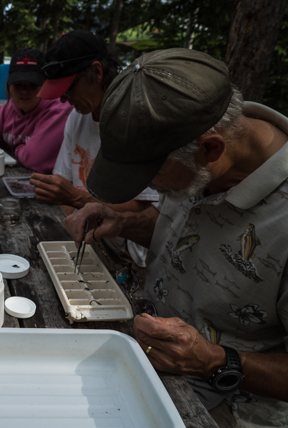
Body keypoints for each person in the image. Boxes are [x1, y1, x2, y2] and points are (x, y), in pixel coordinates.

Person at [65, 48, 288, 427]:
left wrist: (217, 360)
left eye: (152, 175)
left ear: (210, 148)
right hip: (145, 357)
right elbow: (191, 233)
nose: (146, 187)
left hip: (228, 407)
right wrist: (120, 221)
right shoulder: (205, 166)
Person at [29, 30, 159, 267]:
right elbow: (63, 181)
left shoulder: (136, 121)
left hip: (128, 251)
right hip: (87, 236)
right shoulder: (78, 116)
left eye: (68, 89)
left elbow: (146, 206)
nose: (64, 100)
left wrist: (76, 197)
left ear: (97, 72)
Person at [0, 48, 73, 174]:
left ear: (45, 83)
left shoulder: (58, 110)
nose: (24, 91)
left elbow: (35, 159)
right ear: (9, 85)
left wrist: (14, 147)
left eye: (32, 84)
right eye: (18, 84)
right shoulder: (7, 109)